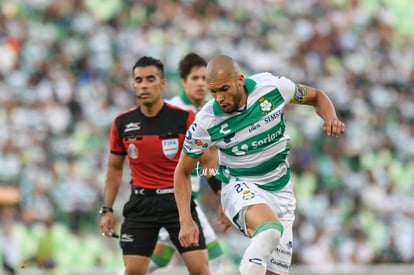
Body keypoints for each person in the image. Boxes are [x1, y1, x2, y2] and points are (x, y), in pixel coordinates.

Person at [174, 55, 346, 275]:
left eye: (224, 89)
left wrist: (330, 117)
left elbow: (317, 96)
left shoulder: (272, 88)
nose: (219, 98)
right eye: (213, 92)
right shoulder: (206, 121)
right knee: (270, 230)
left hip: (282, 191)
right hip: (239, 185)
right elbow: (182, 171)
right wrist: (185, 220)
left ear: (240, 80)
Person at [99, 56, 210, 275]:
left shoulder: (183, 118)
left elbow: (207, 160)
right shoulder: (122, 123)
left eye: (150, 79)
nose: (144, 85)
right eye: (139, 80)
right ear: (133, 85)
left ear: (163, 83)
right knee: (133, 271)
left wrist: (220, 193)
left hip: (177, 202)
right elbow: (114, 168)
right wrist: (107, 209)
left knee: (201, 270)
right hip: (141, 203)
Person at [144, 53, 224, 274]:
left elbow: (212, 158)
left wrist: (221, 193)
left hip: (188, 197)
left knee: (158, 260)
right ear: (183, 81)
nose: (200, 84)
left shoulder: (211, 112)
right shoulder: (170, 111)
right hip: (170, 198)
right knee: (214, 257)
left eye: (203, 78)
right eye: (194, 78)